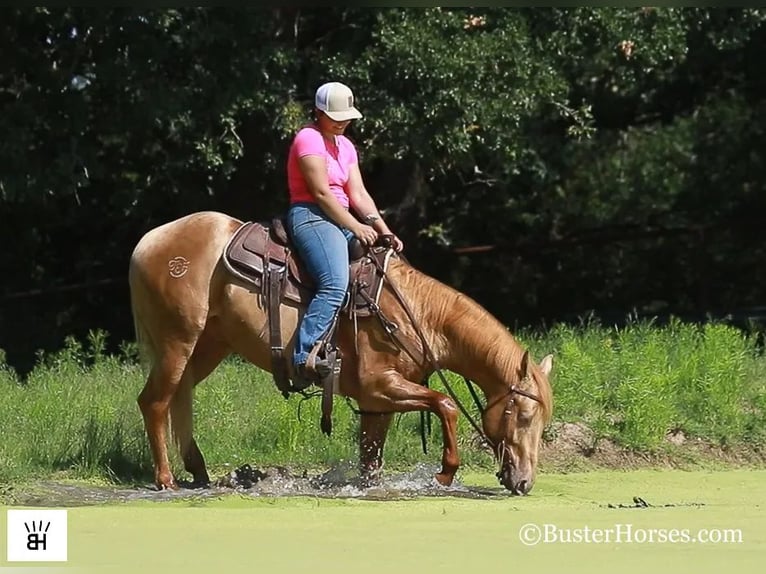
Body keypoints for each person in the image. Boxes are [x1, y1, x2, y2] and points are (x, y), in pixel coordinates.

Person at [286, 81, 404, 389]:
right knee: (335, 283)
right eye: (335, 116)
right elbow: (322, 193)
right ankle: (304, 357)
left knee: (381, 274)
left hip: (344, 219)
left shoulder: (346, 146)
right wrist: (355, 226)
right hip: (312, 215)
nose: (342, 122)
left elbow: (359, 194)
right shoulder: (308, 138)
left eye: (346, 117)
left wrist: (384, 230)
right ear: (318, 112)